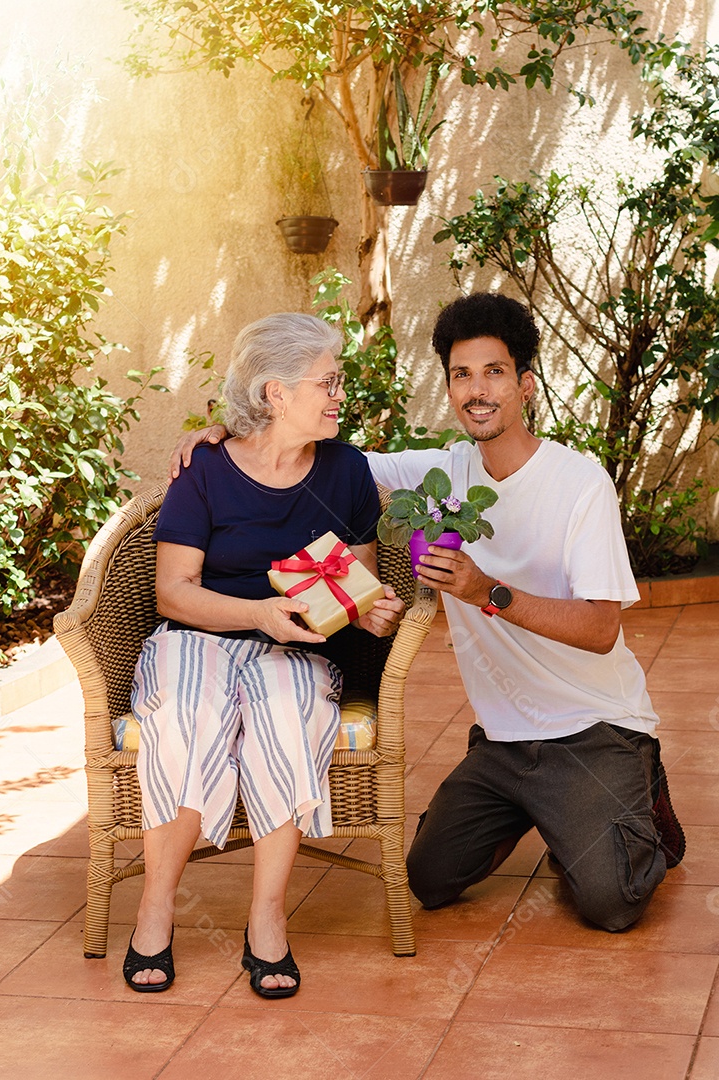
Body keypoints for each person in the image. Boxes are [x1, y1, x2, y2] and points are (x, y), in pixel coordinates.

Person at [171, 292, 684, 935]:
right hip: (503, 739)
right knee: (429, 880)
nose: (477, 390)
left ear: (526, 384)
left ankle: (636, 802)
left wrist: (487, 592)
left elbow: (603, 630)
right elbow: (311, 453)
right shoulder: (440, 472)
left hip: (595, 727)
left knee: (611, 904)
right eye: (461, 374)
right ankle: (549, 809)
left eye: (494, 372)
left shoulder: (581, 485)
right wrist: (225, 436)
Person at [124, 313, 404, 998]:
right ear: (276, 393)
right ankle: (155, 908)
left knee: (288, 718)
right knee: (186, 717)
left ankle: (267, 917)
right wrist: (257, 616)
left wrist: (373, 609)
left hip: (301, 652)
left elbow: (354, 586)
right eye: (328, 382)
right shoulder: (206, 470)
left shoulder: (348, 471)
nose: (341, 395)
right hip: (201, 637)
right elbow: (173, 594)